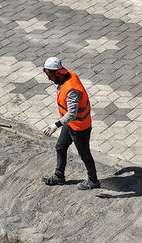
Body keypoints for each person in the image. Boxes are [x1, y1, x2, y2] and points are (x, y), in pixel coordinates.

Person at [39, 57, 101, 191]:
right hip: (70, 124)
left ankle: (93, 181)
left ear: (57, 72)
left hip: (80, 127)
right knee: (60, 147)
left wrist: (55, 125)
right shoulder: (69, 75)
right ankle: (59, 176)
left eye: (49, 75)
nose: (49, 79)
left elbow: (72, 113)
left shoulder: (72, 90)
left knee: (84, 154)